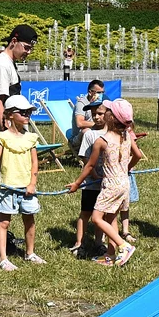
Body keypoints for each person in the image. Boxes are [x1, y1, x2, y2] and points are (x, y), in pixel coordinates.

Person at [67, 99, 138, 267]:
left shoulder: (102, 140)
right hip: (124, 182)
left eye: (107, 111)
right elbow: (138, 156)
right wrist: (125, 168)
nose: (104, 113)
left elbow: (90, 164)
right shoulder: (127, 135)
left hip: (111, 185)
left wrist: (77, 183)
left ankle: (123, 246)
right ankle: (110, 255)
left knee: (97, 217)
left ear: (111, 117)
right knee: (111, 217)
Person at [0, 24, 38, 236]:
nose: (28, 52)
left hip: (9, 131)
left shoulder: (9, 63)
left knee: (9, 182)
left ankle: (3, 233)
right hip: (0, 130)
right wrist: (8, 133)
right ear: (13, 41)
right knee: (1, 185)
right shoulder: (1, 65)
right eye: (26, 47)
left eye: (31, 48)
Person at [0, 95, 42, 271]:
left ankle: (29, 253)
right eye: (22, 112)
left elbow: (34, 163)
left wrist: (32, 183)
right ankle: (3, 258)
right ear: (9, 115)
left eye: (28, 112)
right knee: (4, 223)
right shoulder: (3, 138)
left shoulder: (30, 138)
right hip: (8, 186)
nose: (26, 115)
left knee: (29, 220)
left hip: (26, 187)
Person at [71, 100, 106, 257]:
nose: (96, 117)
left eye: (99, 114)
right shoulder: (89, 134)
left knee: (102, 214)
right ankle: (79, 243)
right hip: (91, 183)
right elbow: (85, 159)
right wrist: (94, 175)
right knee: (85, 213)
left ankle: (99, 242)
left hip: (107, 184)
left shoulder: (112, 134)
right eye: (93, 115)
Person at [69, 79, 106, 151]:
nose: (101, 95)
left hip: (96, 132)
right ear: (90, 92)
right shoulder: (81, 104)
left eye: (103, 92)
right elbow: (79, 123)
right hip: (79, 139)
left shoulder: (101, 102)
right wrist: (98, 124)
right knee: (86, 131)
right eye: (99, 92)